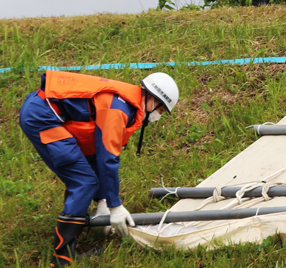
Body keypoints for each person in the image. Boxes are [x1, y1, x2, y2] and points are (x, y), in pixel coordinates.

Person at [20, 70, 179, 267]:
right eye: (161, 111)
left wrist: (103, 200)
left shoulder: (126, 103)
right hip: (41, 117)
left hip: (43, 110)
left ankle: (70, 243)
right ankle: (63, 259)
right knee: (84, 182)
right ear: (152, 99)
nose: (158, 117)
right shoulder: (118, 110)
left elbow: (95, 154)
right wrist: (114, 206)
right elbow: (107, 158)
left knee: (85, 174)